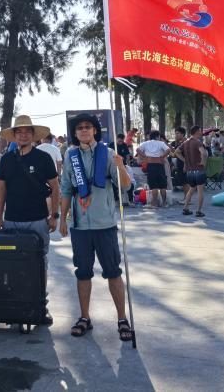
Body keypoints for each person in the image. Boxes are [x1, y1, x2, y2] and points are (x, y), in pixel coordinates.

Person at [60, 113, 133, 342]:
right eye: (79, 127)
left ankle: (122, 319)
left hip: (105, 224)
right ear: (75, 133)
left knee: (113, 271)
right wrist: (62, 218)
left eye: (88, 127)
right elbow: (66, 188)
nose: (84, 130)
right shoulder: (70, 155)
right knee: (83, 272)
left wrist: (121, 166)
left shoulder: (109, 154)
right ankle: (84, 317)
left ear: (95, 130)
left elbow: (125, 186)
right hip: (80, 226)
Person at [0, 115, 59, 325]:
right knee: (12, 263)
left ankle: (40, 305)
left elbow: (55, 187)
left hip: (38, 219)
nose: (23, 135)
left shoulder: (43, 158)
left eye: (27, 131)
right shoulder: (6, 159)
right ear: (14, 136)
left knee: (40, 263)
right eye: (19, 132)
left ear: (33, 135)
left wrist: (54, 215)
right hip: (12, 220)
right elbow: (1, 188)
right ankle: (16, 305)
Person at [177, 126, 207, 217]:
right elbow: (203, 153)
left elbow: (177, 152)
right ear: (197, 131)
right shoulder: (198, 142)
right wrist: (203, 162)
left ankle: (185, 208)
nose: (201, 132)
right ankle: (198, 211)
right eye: (200, 131)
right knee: (200, 191)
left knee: (191, 189)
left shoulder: (185, 143)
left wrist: (185, 160)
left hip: (189, 171)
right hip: (199, 170)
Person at [137, 131, 171, 208]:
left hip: (150, 165)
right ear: (157, 136)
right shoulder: (161, 143)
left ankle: (154, 203)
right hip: (160, 164)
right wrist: (162, 156)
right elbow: (168, 150)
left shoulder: (145, 143)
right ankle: (164, 203)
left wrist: (145, 156)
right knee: (162, 185)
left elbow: (138, 150)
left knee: (153, 185)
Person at [170, 127, 187, 193]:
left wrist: (185, 163)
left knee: (186, 183)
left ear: (182, 134)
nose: (176, 135)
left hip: (184, 165)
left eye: (177, 133)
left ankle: (187, 198)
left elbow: (186, 155)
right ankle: (186, 198)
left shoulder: (185, 142)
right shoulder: (180, 142)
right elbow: (175, 154)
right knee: (184, 183)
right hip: (180, 165)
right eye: (175, 133)